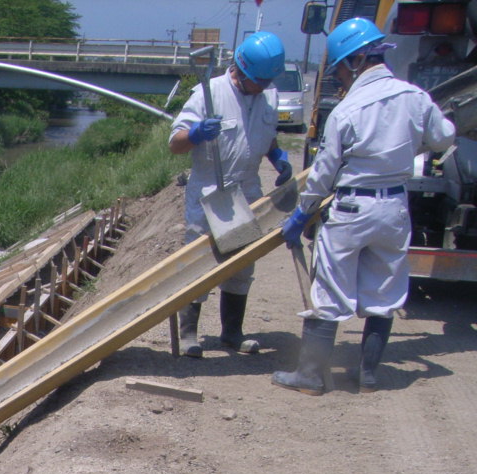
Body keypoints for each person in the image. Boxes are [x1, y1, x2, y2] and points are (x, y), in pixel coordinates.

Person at [276, 18, 455, 396]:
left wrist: (302, 213)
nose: (340, 78)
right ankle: (368, 376)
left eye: (341, 70)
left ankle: (310, 376)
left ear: (355, 61)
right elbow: (443, 138)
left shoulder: (348, 110)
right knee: (384, 295)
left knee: (329, 294)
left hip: (352, 209)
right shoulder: (415, 97)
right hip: (394, 208)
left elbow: (324, 172)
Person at [169, 31, 292, 357]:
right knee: (198, 263)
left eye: (267, 81)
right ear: (241, 70)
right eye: (259, 81)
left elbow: (268, 138)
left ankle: (232, 333)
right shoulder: (208, 94)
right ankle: (189, 333)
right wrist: (196, 133)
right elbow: (175, 144)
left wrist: (277, 158)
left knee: (241, 263)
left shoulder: (268, 97)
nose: (263, 87)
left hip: (246, 189)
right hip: (209, 188)